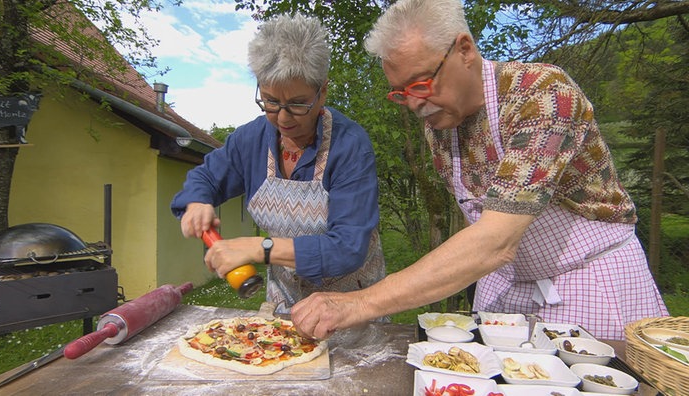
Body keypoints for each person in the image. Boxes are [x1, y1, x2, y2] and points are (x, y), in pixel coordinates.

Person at [291, 0, 668, 341]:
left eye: (421, 84)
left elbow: (494, 241)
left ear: (465, 51)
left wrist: (360, 303)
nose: (413, 104)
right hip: (507, 284)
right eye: (400, 92)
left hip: (587, 282)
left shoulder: (541, 95)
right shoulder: (439, 124)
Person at [171, 13, 386, 316]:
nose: (283, 118)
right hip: (286, 305)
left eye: (298, 103)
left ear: (322, 91)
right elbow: (205, 177)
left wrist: (261, 248)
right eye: (271, 101)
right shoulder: (251, 140)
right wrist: (196, 203)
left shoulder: (350, 146)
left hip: (350, 309)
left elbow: (348, 248)